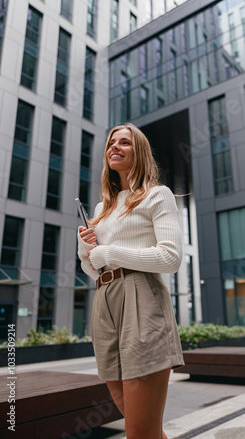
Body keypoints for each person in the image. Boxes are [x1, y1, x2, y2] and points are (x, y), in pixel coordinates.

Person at [77, 123, 185, 439]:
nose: (115, 147)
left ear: (139, 152)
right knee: (140, 423)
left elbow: (170, 258)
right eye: (112, 142)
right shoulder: (101, 208)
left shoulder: (156, 195)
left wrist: (108, 251)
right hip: (105, 300)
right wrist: (87, 252)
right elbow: (95, 269)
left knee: (139, 430)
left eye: (125, 142)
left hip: (141, 298)